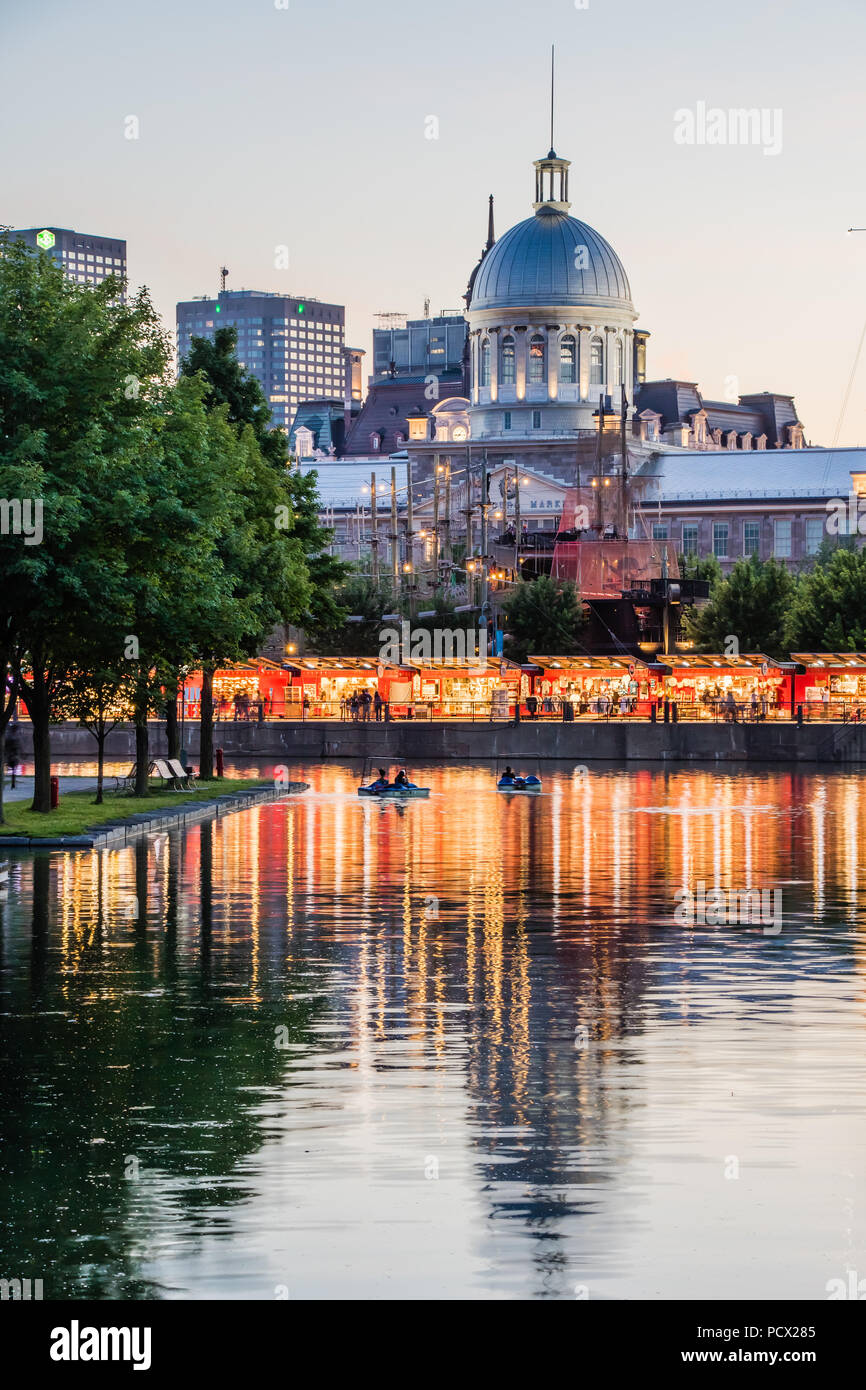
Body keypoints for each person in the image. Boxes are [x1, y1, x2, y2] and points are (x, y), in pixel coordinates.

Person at [5, 720, 21, 789]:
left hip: (11, 755)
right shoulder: (14, 737)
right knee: (13, 770)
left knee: (13, 770)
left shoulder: (9, 736)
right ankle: (13, 783)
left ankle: (13, 783)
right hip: (13, 755)